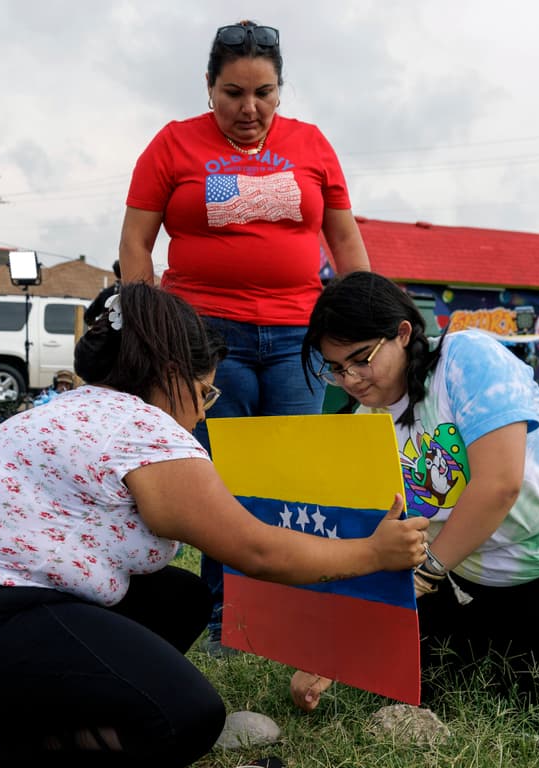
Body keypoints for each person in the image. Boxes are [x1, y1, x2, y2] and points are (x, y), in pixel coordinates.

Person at [0, 283, 427, 768]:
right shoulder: (142, 429)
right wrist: (372, 552)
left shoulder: (70, 408)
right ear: (171, 374)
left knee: (178, 597)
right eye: (205, 393)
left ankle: (63, 747)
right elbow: (256, 550)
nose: (201, 411)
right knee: (184, 719)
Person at [119, 20, 371, 649]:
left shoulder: (312, 145)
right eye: (233, 92)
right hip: (205, 341)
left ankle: (286, 615)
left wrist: (365, 313)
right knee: (220, 480)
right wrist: (146, 325)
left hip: (297, 339)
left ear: (281, 90)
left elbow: (342, 239)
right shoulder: (173, 147)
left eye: (263, 92)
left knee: (293, 477)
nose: (249, 108)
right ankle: (222, 619)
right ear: (209, 88)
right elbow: (135, 244)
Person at [293, 272, 539, 711]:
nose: (352, 378)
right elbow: (372, 538)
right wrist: (331, 655)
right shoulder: (366, 417)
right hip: (463, 572)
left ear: (401, 334)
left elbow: (499, 485)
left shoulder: (466, 358)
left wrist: (424, 575)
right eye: (337, 368)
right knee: (423, 685)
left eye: (361, 358)